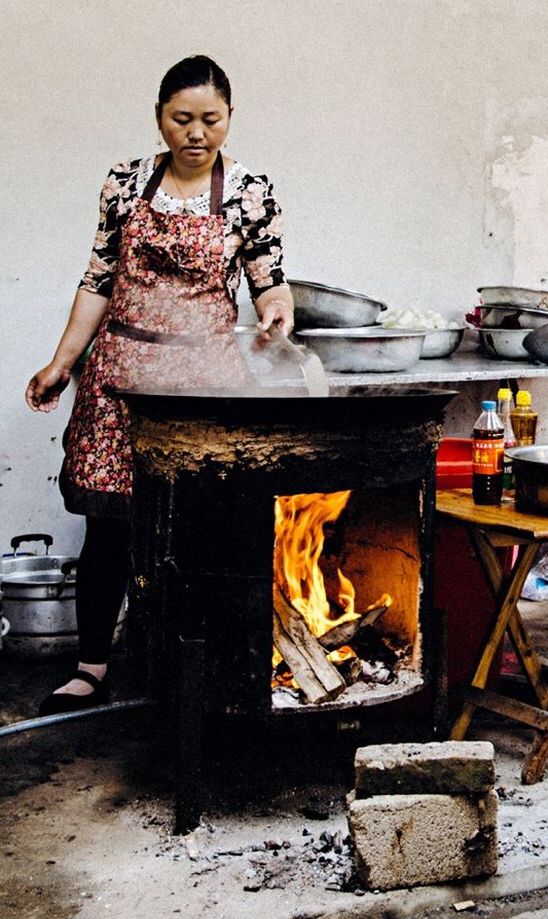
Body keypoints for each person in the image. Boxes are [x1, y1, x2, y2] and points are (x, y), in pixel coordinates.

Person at [24, 55, 293, 715]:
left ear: (229, 118)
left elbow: (269, 278)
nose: (196, 133)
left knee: (206, 530)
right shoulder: (127, 183)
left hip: (204, 387)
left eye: (211, 119)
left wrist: (277, 310)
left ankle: (196, 667)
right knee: (110, 529)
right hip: (120, 381)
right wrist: (63, 361)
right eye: (182, 119)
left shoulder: (249, 192)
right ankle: (91, 667)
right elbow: (98, 279)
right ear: (159, 118)